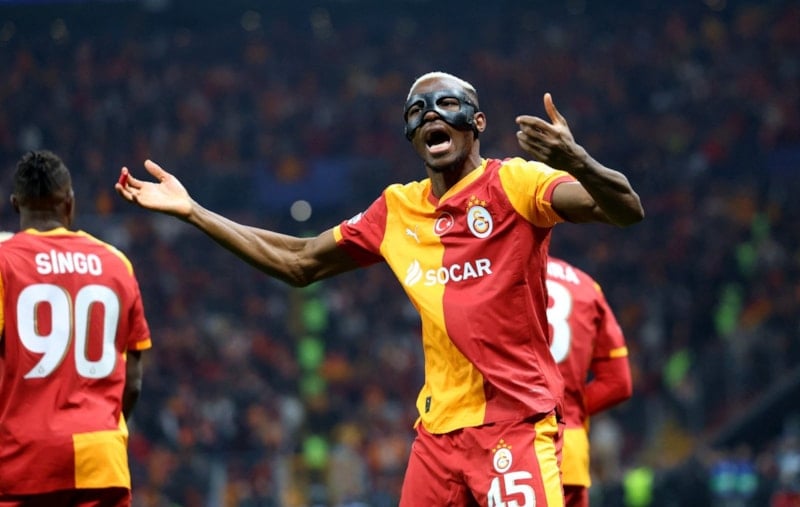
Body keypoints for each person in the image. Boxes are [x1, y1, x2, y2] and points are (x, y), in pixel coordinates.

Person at [116, 71, 644, 506]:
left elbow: (625, 210)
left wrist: (576, 160)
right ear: (410, 135)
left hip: (516, 423)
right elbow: (298, 261)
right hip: (437, 439)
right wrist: (194, 211)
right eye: (417, 111)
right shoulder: (396, 209)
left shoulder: (517, 183)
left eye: (446, 104)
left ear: (477, 122)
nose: (430, 115)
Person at [0, 150, 152, 507]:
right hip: (101, 462)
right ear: (70, 202)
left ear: (16, 204)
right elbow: (133, 383)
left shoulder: (5, 261)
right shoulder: (117, 264)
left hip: (24, 462)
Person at [546, 255, 633, 507]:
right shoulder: (587, 286)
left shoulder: (498, 273)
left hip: (509, 447)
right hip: (570, 450)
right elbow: (618, 383)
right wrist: (567, 410)